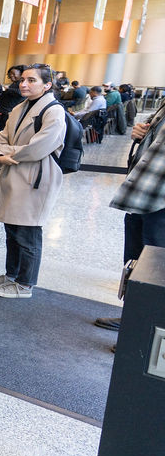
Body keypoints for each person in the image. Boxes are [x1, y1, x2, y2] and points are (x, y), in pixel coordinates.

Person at [0, 65, 66, 299]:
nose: (23, 84)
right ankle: (12, 275)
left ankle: (25, 284)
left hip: (35, 177)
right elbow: (0, 138)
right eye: (22, 80)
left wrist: (6, 152)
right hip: (14, 173)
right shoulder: (20, 107)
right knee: (12, 228)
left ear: (47, 85)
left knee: (28, 231)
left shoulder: (53, 111)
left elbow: (39, 147)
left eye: (31, 80)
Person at [96, 103, 165, 333]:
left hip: (160, 201)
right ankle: (132, 319)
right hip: (143, 192)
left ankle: (142, 333)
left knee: (155, 270)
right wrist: (141, 134)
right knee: (135, 262)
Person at [0, 65, 27, 130]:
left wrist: (8, 89)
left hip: (10, 112)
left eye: (13, 73)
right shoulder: (14, 83)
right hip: (5, 111)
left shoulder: (22, 83)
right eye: (10, 74)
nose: (11, 75)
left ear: (21, 74)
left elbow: (21, 93)